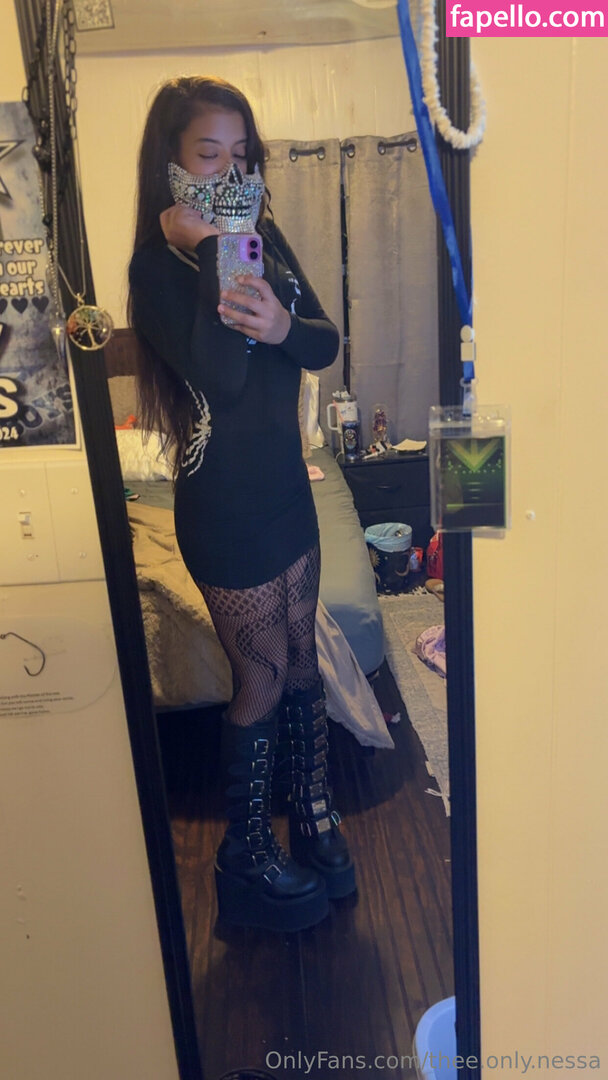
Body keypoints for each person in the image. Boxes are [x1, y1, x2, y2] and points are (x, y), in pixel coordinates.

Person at [128, 75, 356, 932]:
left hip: (287, 491)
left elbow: (322, 341)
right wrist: (220, 247)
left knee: (301, 660)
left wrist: (282, 327)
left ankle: (316, 813)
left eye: (241, 155)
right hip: (224, 504)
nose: (228, 173)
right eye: (208, 154)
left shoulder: (261, 229)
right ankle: (246, 857)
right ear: (171, 162)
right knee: (259, 676)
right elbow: (221, 379)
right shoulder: (156, 267)